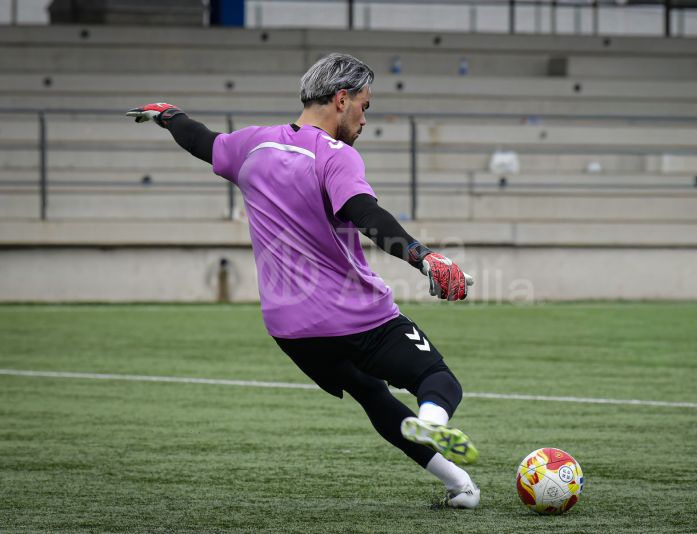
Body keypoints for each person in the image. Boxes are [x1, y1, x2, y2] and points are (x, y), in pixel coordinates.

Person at [126, 53, 480, 509]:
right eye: (364, 106)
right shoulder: (335, 156)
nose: (365, 118)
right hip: (356, 316)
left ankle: (459, 486)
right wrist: (422, 256)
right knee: (438, 379)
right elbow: (367, 215)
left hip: (291, 329)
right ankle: (431, 420)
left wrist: (170, 116)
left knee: (370, 392)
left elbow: (202, 141)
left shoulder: (251, 144)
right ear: (340, 98)